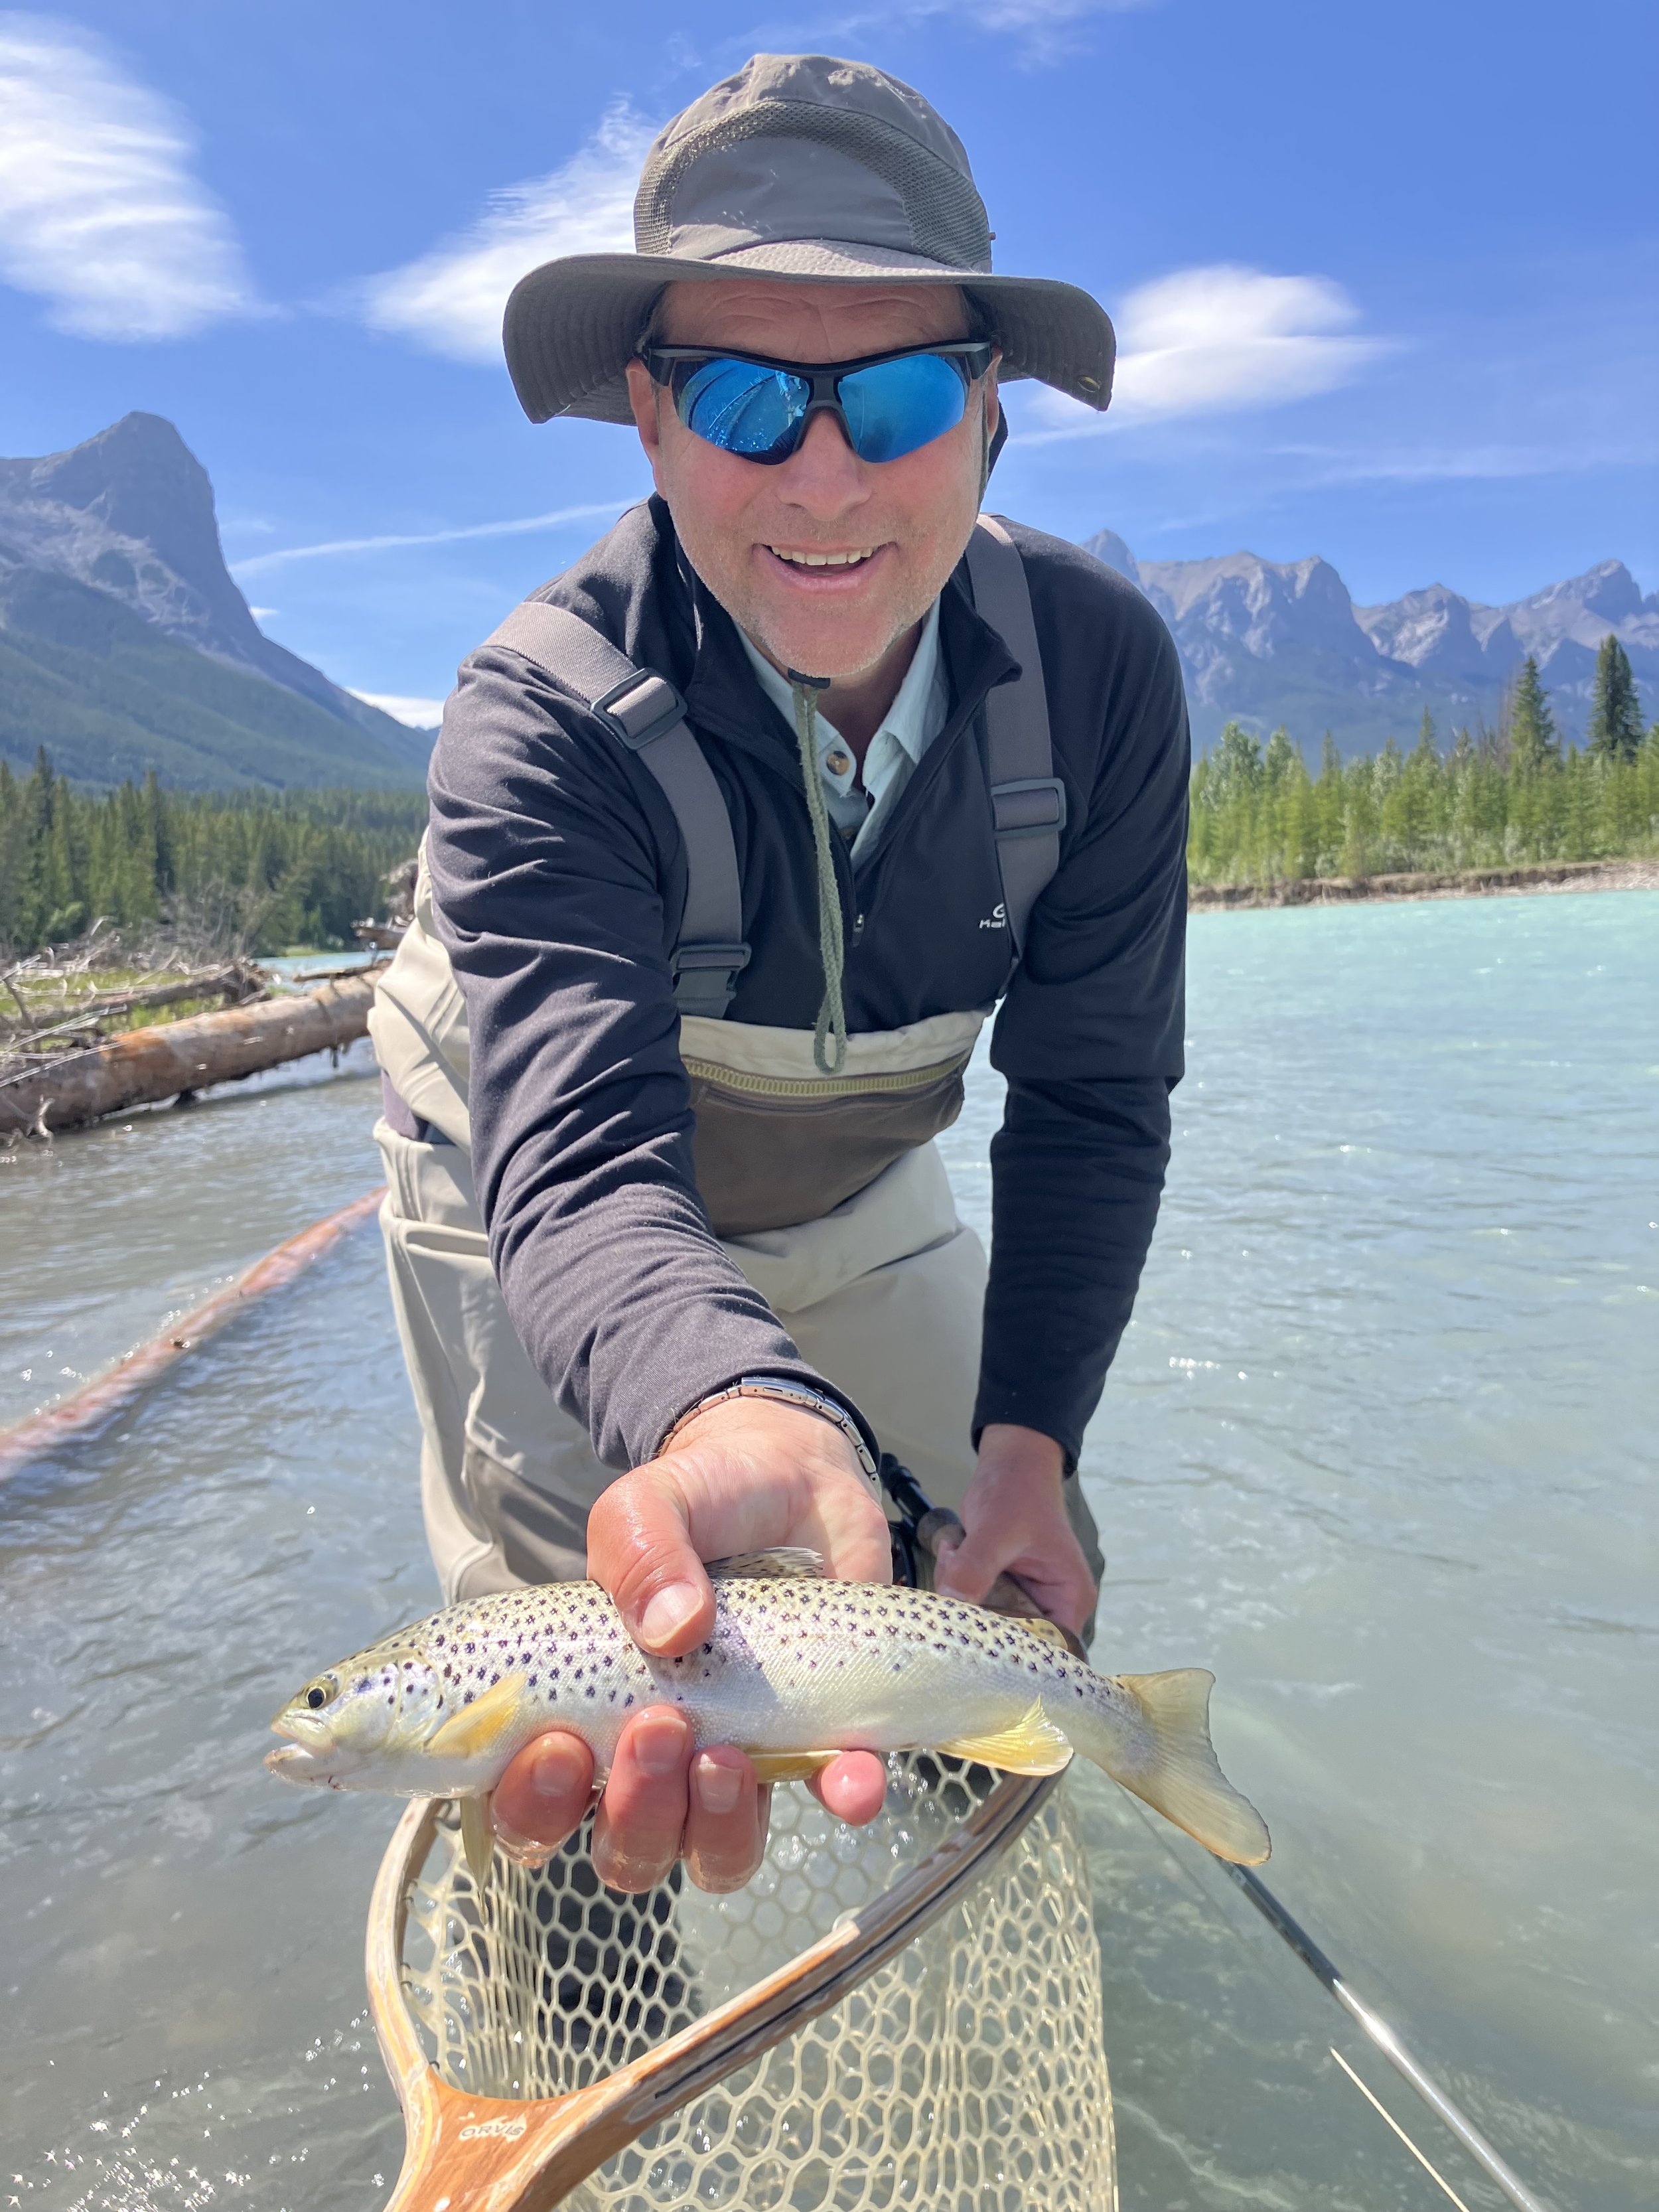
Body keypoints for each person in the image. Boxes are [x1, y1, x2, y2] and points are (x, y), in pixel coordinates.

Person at [368, 52, 1188, 1900]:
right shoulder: (539, 717)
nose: (822, 475)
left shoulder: (1102, 680)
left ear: (988, 419)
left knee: (1006, 1600)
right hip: (522, 1187)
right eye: (744, 396)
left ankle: (961, 1922)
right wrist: (741, 1410)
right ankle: (587, 2034)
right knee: (566, 1727)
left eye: (892, 394)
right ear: (649, 422)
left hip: (847, 1176)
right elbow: (580, 1174)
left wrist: (1030, 1450)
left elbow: (1089, 1102)